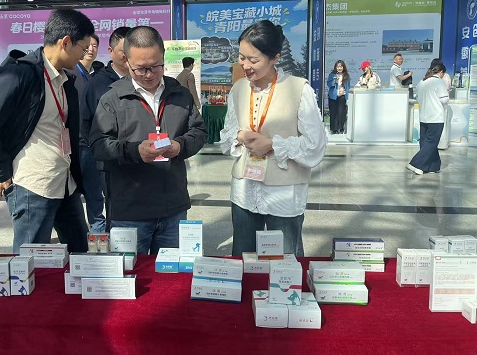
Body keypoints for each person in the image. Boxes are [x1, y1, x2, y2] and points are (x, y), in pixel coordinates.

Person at [0, 9, 95, 253]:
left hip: (64, 182)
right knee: (29, 261)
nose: (85, 54)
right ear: (66, 42)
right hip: (32, 185)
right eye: (83, 47)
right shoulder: (20, 73)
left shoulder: (64, 80)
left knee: (79, 253)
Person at [89, 26, 207, 254]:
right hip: (130, 211)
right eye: (140, 69)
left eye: (155, 66)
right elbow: (98, 145)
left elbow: (199, 132)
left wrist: (180, 146)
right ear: (126, 61)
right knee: (130, 271)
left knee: (172, 273)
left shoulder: (180, 94)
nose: (149, 75)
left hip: (173, 207)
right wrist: (134, 151)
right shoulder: (112, 99)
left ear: (163, 56)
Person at [218, 20, 327, 257]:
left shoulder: (299, 89)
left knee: (285, 261)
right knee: (244, 257)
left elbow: (315, 145)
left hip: (284, 193)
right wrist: (240, 136)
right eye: (241, 57)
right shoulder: (239, 89)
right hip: (245, 189)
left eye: (253, 60)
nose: (245, 65)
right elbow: (228, 133)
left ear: (275, 58)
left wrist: (273, 144)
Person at [81, 27, 131, 232]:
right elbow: (86, 123)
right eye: (123, 51)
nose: (129, 56)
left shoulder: (142, 80)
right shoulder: (98, 84)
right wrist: (102, 149)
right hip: (111, 162)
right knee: (116, 212)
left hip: (141, 159)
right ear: (110, 51)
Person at [67, 34, 105, 233]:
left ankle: (98, 229)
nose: (91, 49)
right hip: (75, 143)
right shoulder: (69, 73)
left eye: (95, 45)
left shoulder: (96, 76)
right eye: (87, 45)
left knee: (94, 191)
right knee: (74, 191)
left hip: (92, 143)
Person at [407, 62, 449, 175]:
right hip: (436, 117)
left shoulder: (422, 82)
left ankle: (432, 167)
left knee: (425, 142)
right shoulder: (438, 82)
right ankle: (415, 163)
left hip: (424, 116)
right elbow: (444, 99)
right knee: (431, 142)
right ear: (441, 72)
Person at [326, 60, 350, 134]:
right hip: (333, 96)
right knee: (333, 112)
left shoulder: (346, 75)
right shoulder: (332, 75)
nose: (339, 68)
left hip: (342, 96)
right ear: (336, 67)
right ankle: (334, 128)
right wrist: (334, 81)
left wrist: (347, 96)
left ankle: (341, 128)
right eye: (338, 67)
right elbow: (328, 84)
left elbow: (348, 86)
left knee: (341, 112)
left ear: (343, 67)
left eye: (341, 66)